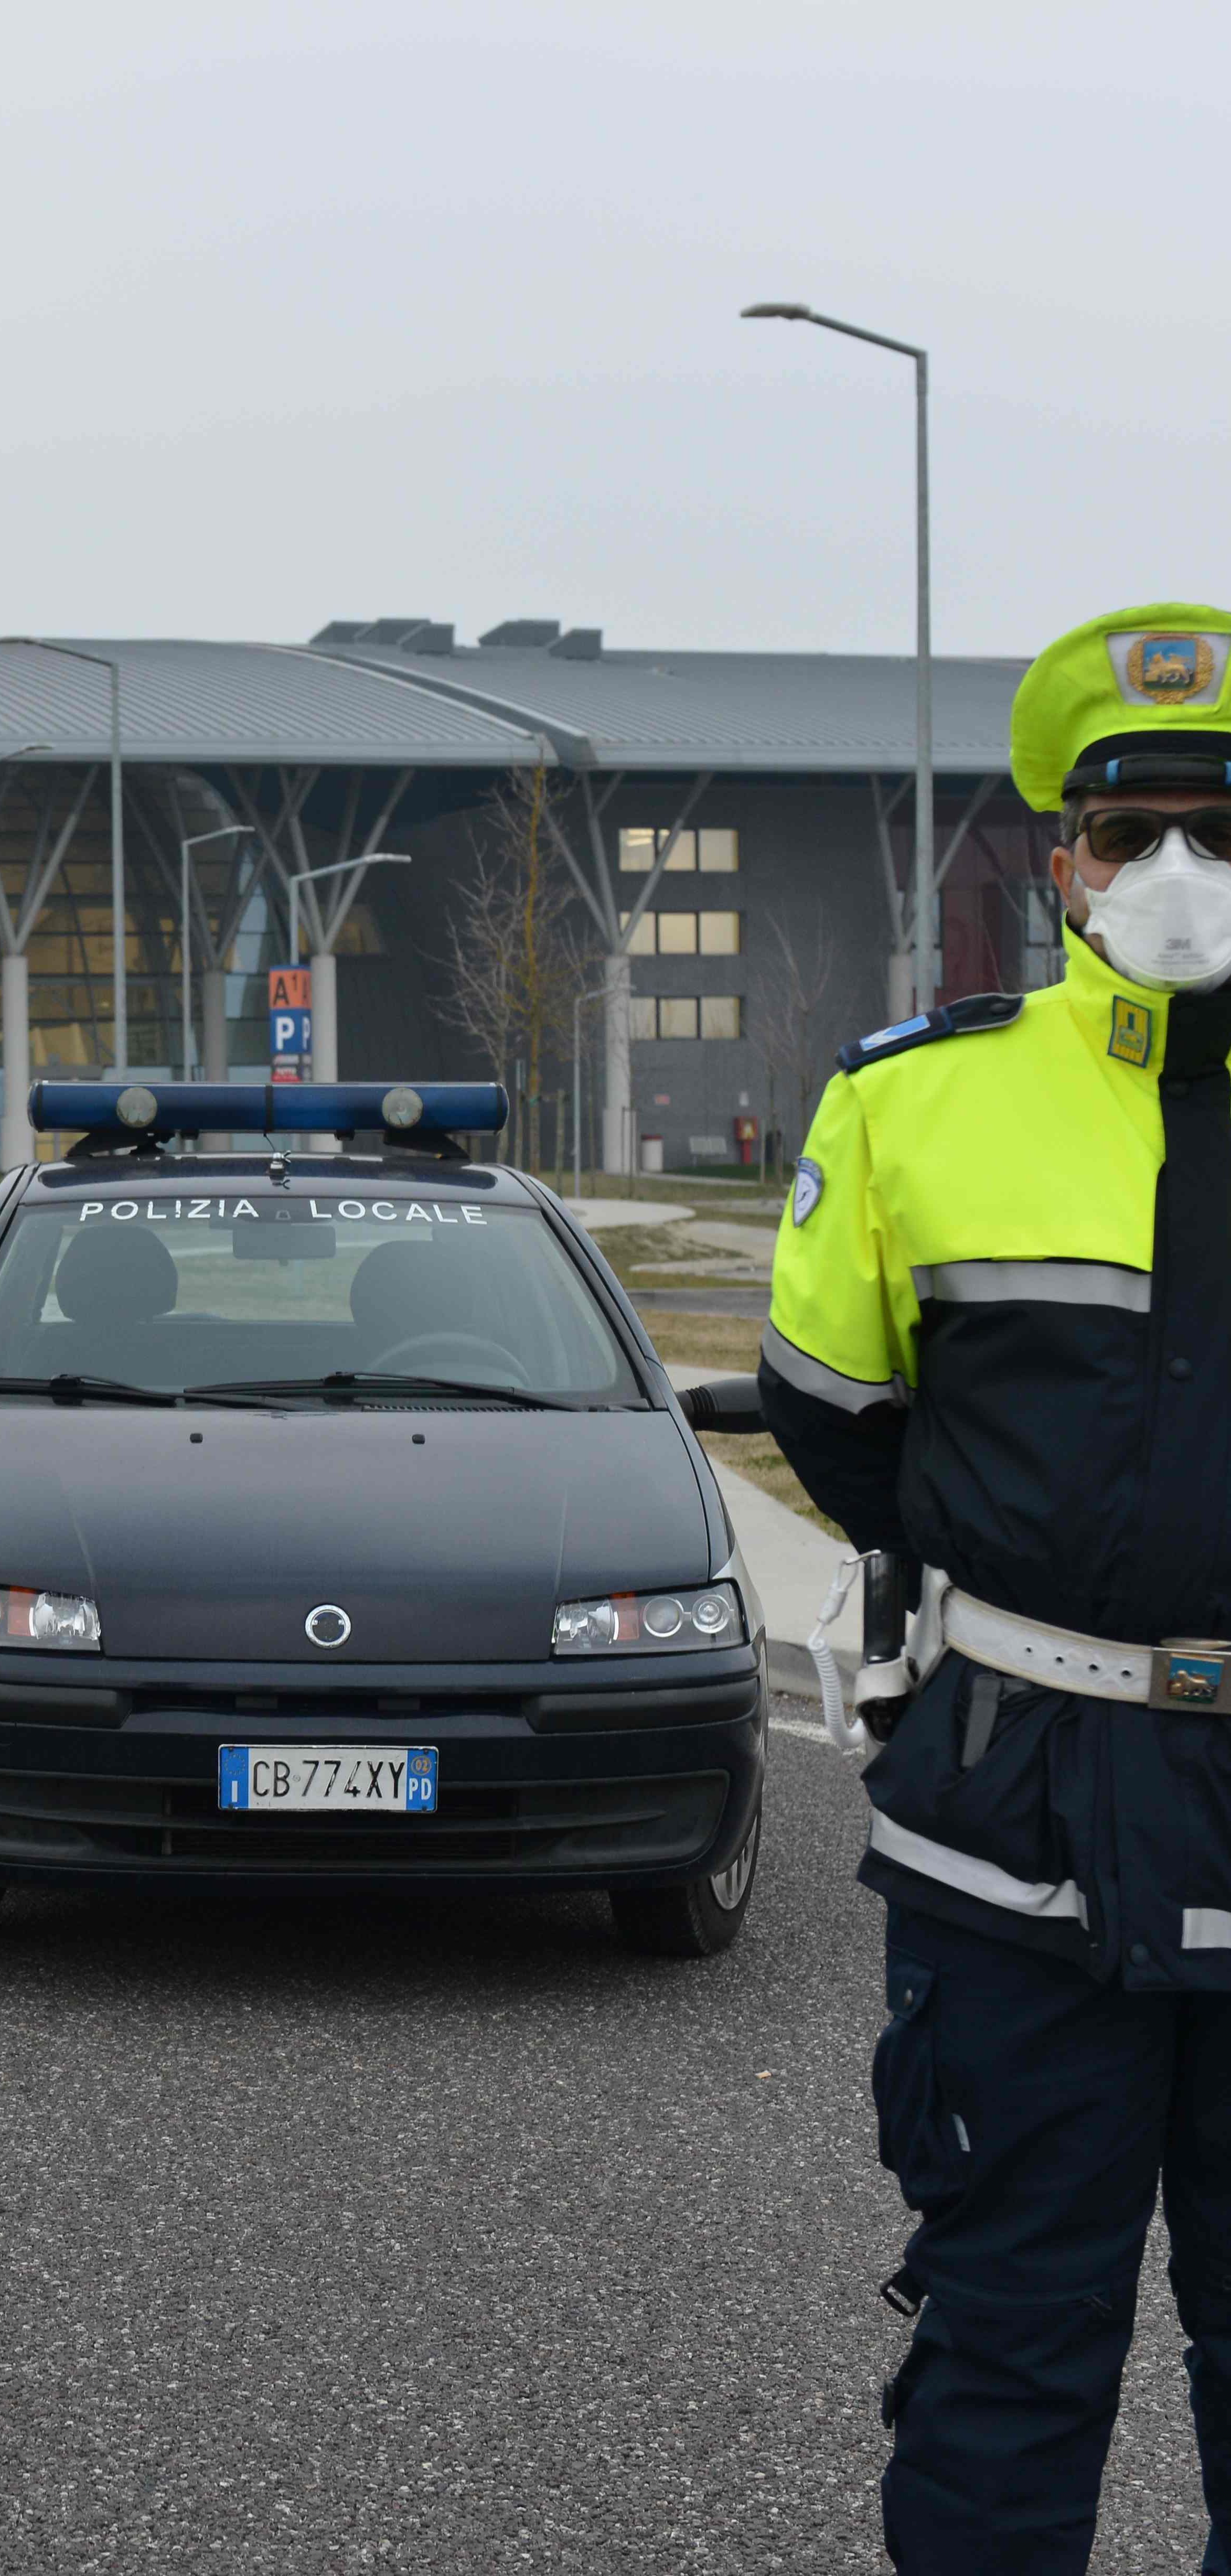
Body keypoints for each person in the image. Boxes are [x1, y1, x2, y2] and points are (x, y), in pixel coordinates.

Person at [763, 603, 1231, 2574]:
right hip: (1018, 1822)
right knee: (1009, 2367)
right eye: (1132, 832)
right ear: (1063, 857)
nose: (1181, 875)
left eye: (1223, 823)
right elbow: (837, 1418)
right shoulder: (915, 1101)